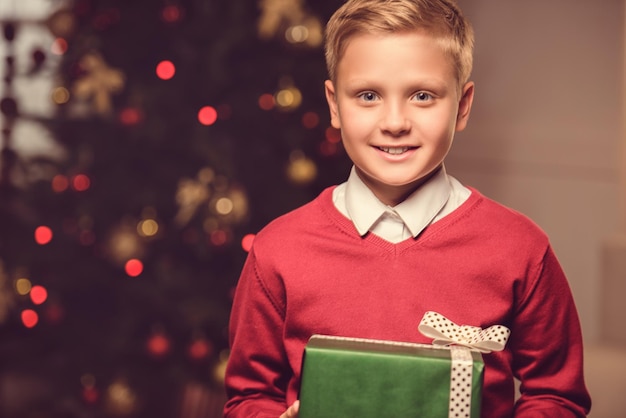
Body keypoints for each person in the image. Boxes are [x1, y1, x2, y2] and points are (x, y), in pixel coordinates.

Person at [223, 0, 592, 416]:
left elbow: (557, 396)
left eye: (422, 95)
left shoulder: (521, 249)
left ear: (462, 106)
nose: (395, 121)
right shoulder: (279, 250)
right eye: (368, 95)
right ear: (333, 105)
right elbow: (249, 398)